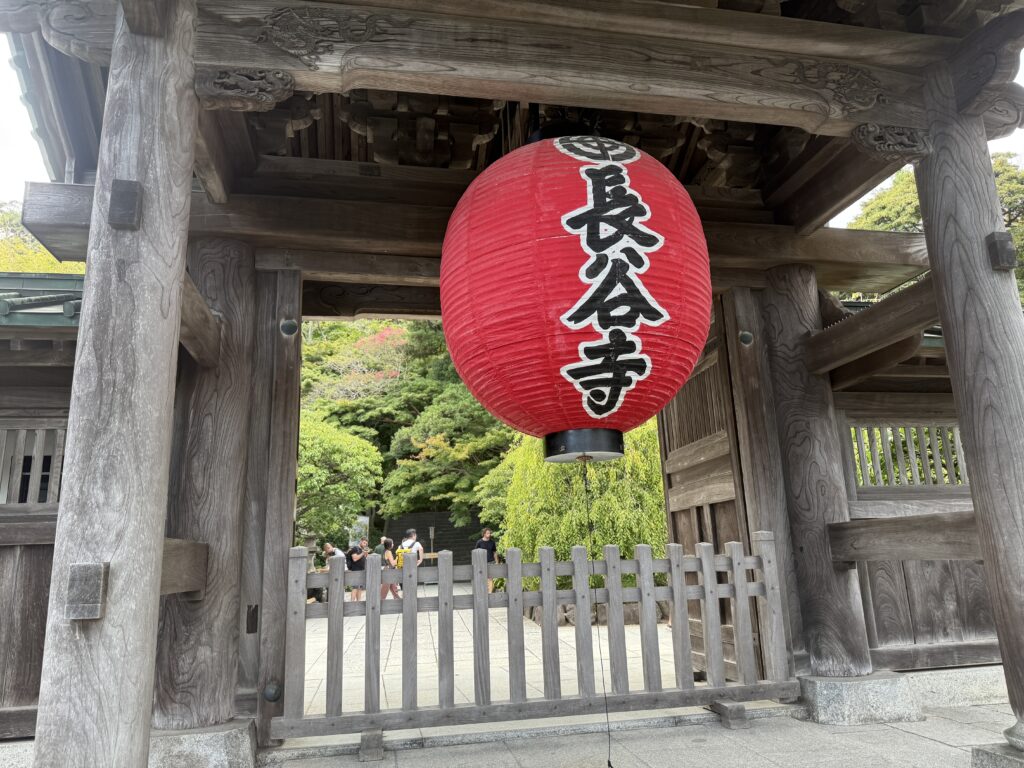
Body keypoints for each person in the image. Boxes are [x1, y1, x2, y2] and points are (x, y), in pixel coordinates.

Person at [474, 528, 500, 593]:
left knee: (490, 578)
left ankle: (490, 593)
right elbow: (476, 553)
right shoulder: (479, 542)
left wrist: (497, 562)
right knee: (484, 578)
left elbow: (494, 552)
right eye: (488, 533)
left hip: (491, 562)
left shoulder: (492, 542)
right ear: (484, 534)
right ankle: (485, 592)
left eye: (490, 533)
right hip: (482, 563)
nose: (489, 534)